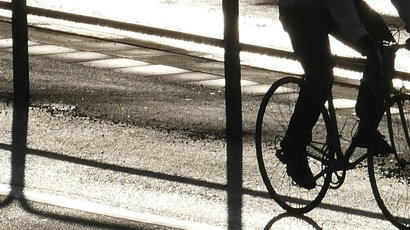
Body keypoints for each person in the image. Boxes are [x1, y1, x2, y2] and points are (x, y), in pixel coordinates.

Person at [277, 0, 410, 189]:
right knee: (320, 77)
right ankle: (294, 147)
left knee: (385, 50)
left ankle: (367, 127)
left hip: (343, 4)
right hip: (300, 10)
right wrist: (361, 37)